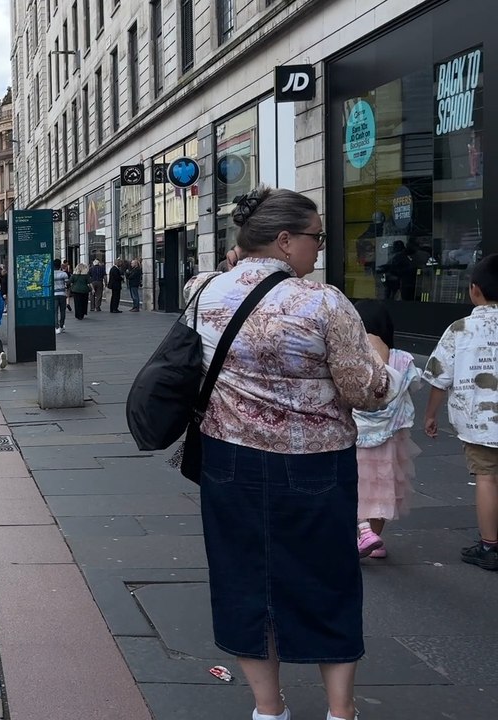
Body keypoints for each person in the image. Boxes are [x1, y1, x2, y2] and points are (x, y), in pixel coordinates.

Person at [185, 187, 393, 720]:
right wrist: (379, 356)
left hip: (226, 458)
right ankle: (341, 711)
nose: (319, 248)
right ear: (284, 241)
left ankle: (268, 709)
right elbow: (365, 390)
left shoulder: (202, 290)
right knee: (327, 580)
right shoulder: (322, 302)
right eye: (315, 237)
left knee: (243, 576)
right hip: (314, 463)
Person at [422, 253, 498, 572]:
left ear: (474, 289)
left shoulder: (460, 329)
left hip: (480, 422)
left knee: (488, 478)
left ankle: (490, 546)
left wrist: (430, 415)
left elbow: (440, 377)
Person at [352, 300, 422, 559]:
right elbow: (413, 386)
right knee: (382, 489)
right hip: (391, 439)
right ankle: (375, 539)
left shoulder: (355, 359)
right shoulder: (403, 359)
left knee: (356, 488)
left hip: (357, 437)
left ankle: (363, 534)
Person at [52, 259, 69, 332]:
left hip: (54, 294)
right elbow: (67, 284)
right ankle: (62, 325)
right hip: (62, 294)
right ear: (60, 265)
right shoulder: (64, 274)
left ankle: (56, 326)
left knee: (55, 311)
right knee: (63, 311)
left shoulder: (50, 274)